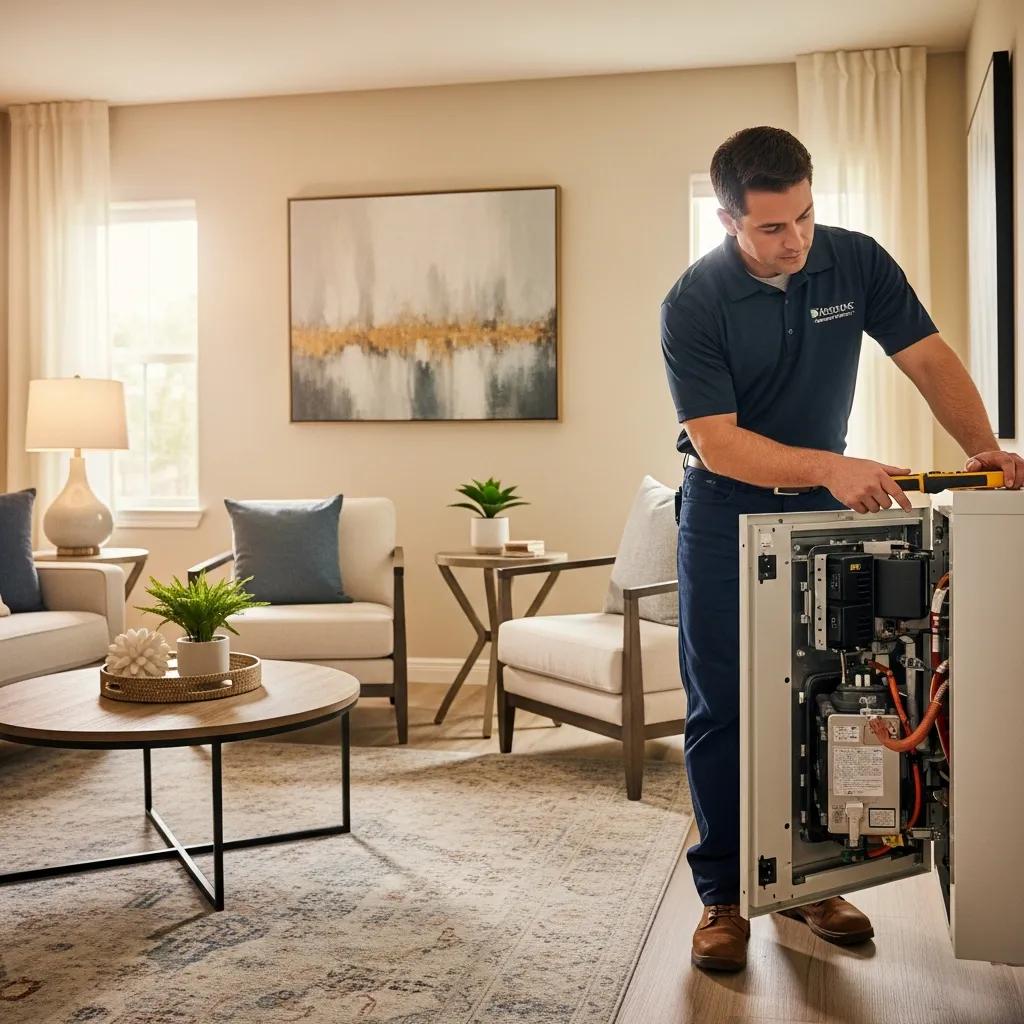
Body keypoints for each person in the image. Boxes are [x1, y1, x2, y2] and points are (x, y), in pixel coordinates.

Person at [660, 125, 1024, 973]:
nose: (796, 241)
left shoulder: (854, 261)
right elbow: (717, 443)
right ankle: (723, 894)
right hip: (724, 510)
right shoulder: (694, 302)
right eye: (773, 229)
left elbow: (927, 358)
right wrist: (834, 465)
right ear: (727, 220)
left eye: (806, 218)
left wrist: (986, 448)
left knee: (820, 691)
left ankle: (806, 881)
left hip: (818, 514)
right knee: (725, 705)